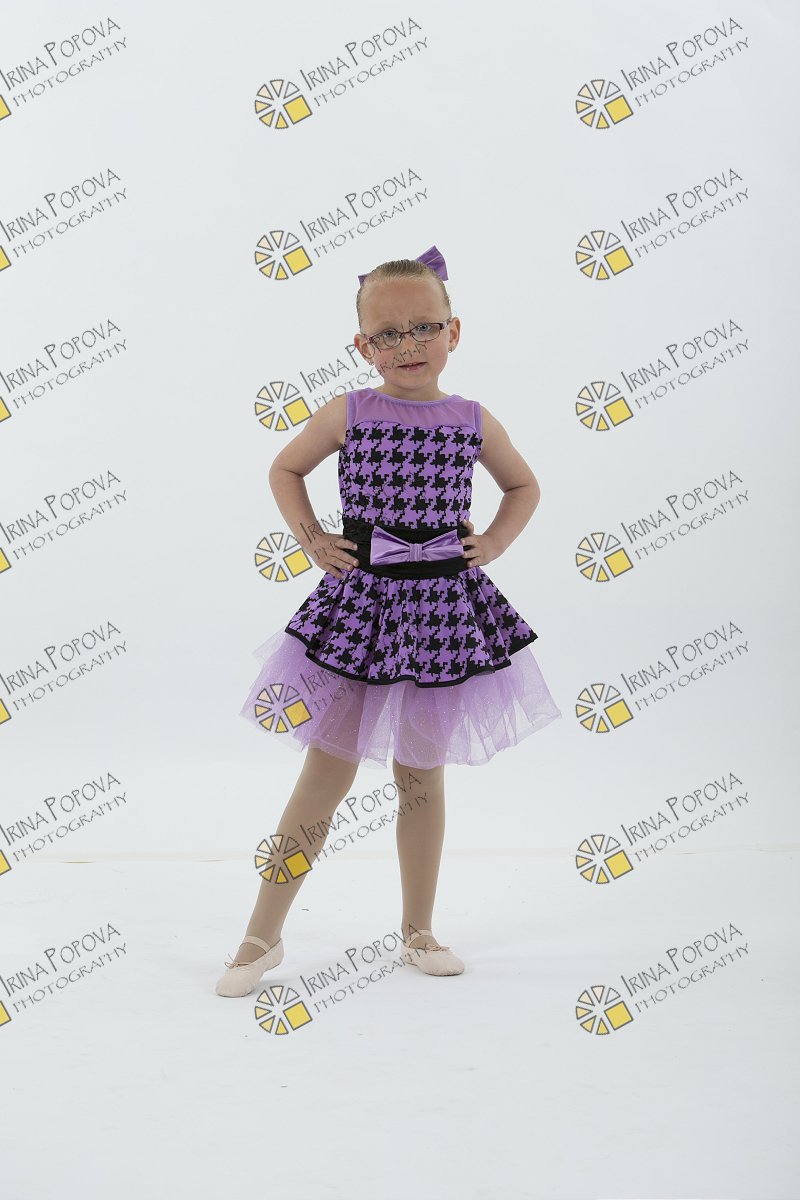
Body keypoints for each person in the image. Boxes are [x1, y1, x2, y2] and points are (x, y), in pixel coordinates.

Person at [215, 244, 562, 997]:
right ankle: (261, 934)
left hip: (441, 612)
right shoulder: (350, 411)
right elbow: (285, 468)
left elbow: (524, 486)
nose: (409, 345)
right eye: (388, 334)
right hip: (362, 610)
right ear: (362, 345)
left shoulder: (472, 419)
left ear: (453, 331)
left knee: (421, 776)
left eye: (424, 327)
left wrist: (493, 543)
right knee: (325, 772)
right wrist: (312, 539)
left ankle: (419, 929)